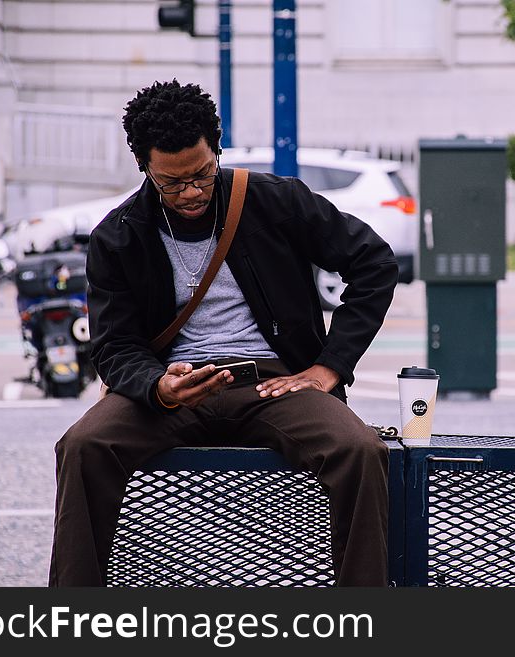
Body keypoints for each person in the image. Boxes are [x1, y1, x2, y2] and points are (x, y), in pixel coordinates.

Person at [48, 80, 398, 587]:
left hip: (272, 384)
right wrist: (156, 386)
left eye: (202, 174)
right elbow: (113, 343)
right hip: (170, 389)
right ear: (144, 167)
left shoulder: (275, 202)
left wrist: (329, 366)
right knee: (82, 446)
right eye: (171, 183)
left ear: (218, 150)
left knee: (359, 450)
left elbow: (374, 262)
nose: (190, 193)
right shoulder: (118, 234)